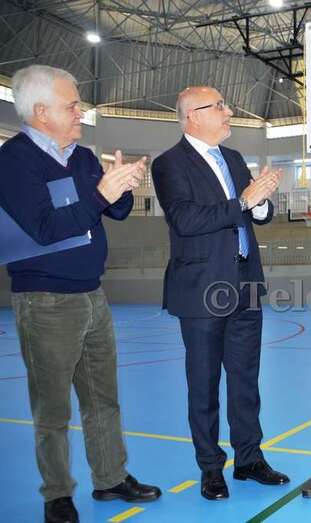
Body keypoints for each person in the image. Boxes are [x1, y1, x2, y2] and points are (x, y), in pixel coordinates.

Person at [0, 65, 161, 523]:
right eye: (72, 105)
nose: (80, 112)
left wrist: (124, 185)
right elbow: (46, 228)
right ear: (40, 112)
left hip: (93, 295)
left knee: (102, 399)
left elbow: (117, 210)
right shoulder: (13, 163)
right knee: (51, 407)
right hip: (45, 301)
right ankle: (57, 494)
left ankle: (110, 478)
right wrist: (100, 196)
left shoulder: (84, 156)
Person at [151, 86, 287, 501]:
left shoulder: (232, 159)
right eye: (220, 106)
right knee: (204, 385)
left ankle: (249, 458)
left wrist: (261, 202)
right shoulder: (169, 164)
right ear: (193, 115)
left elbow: (253, 213)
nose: (229, 112)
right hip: (202, 291)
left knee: (246, 382)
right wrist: (244, 200)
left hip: (244, 286)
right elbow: (186, 219)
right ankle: (211, 469)